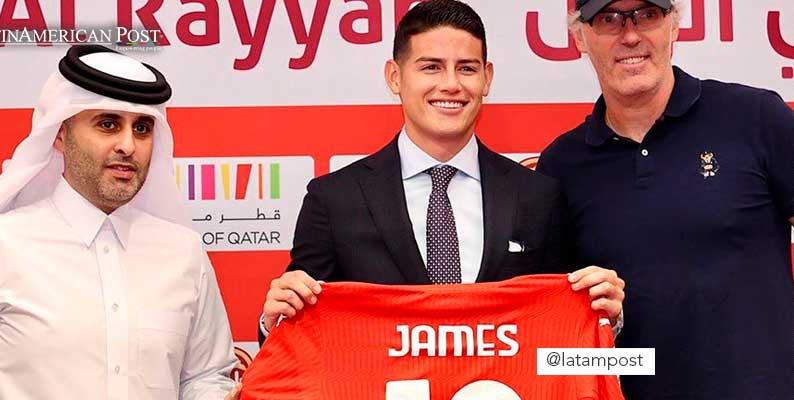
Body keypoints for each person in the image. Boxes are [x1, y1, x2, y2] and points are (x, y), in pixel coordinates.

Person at [259, 0, 625, 341]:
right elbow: (298, 338)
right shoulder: (334, 199)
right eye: (431, 67)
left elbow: (558, 337)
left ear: (487, 78)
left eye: (466, 68)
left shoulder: (538, 195)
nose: (451, 84)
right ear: (395, 77)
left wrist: (603, 319)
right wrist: (273, 321)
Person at [0, 44, 241, 400]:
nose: (128, 145)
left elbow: (205, 376)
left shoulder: (184, 252)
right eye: (107, 124)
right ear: (60, 134)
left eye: (143, 129)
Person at [537, 0, 794, 398]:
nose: (631, 35)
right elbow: (560, 336)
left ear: (674, 26)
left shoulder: (754, 116)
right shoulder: (562, 164)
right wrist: (612, 323)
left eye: (647, 15)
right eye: (608, 19)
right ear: (579, 38)